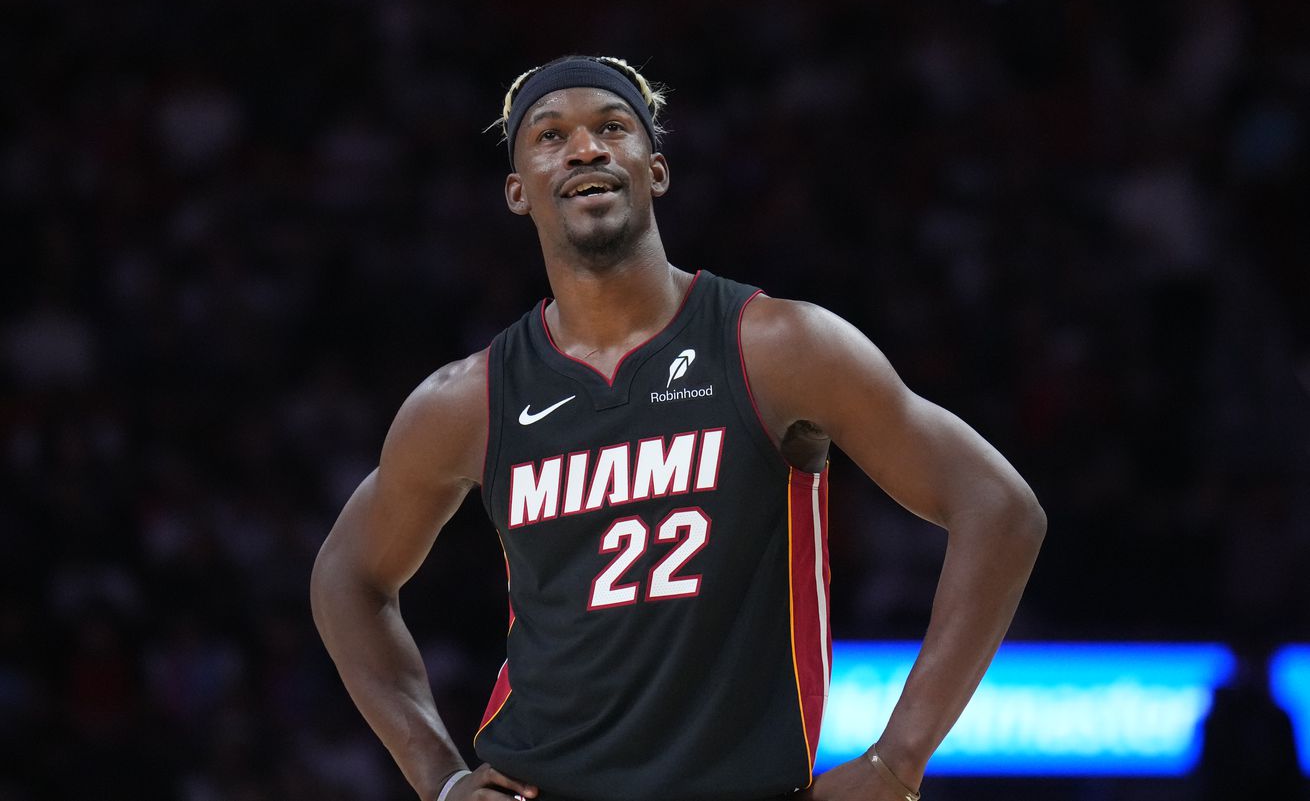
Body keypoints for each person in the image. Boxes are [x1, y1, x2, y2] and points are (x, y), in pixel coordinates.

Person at [310, 55, 1047, 801]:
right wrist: (440, 778)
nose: (585, 147)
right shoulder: (468, 399)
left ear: (655, 170)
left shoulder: (780, 346)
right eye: (550, 135)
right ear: (517, 191)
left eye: (612, 127)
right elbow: (347, 576)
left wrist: (898, 759)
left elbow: (1000, 506)